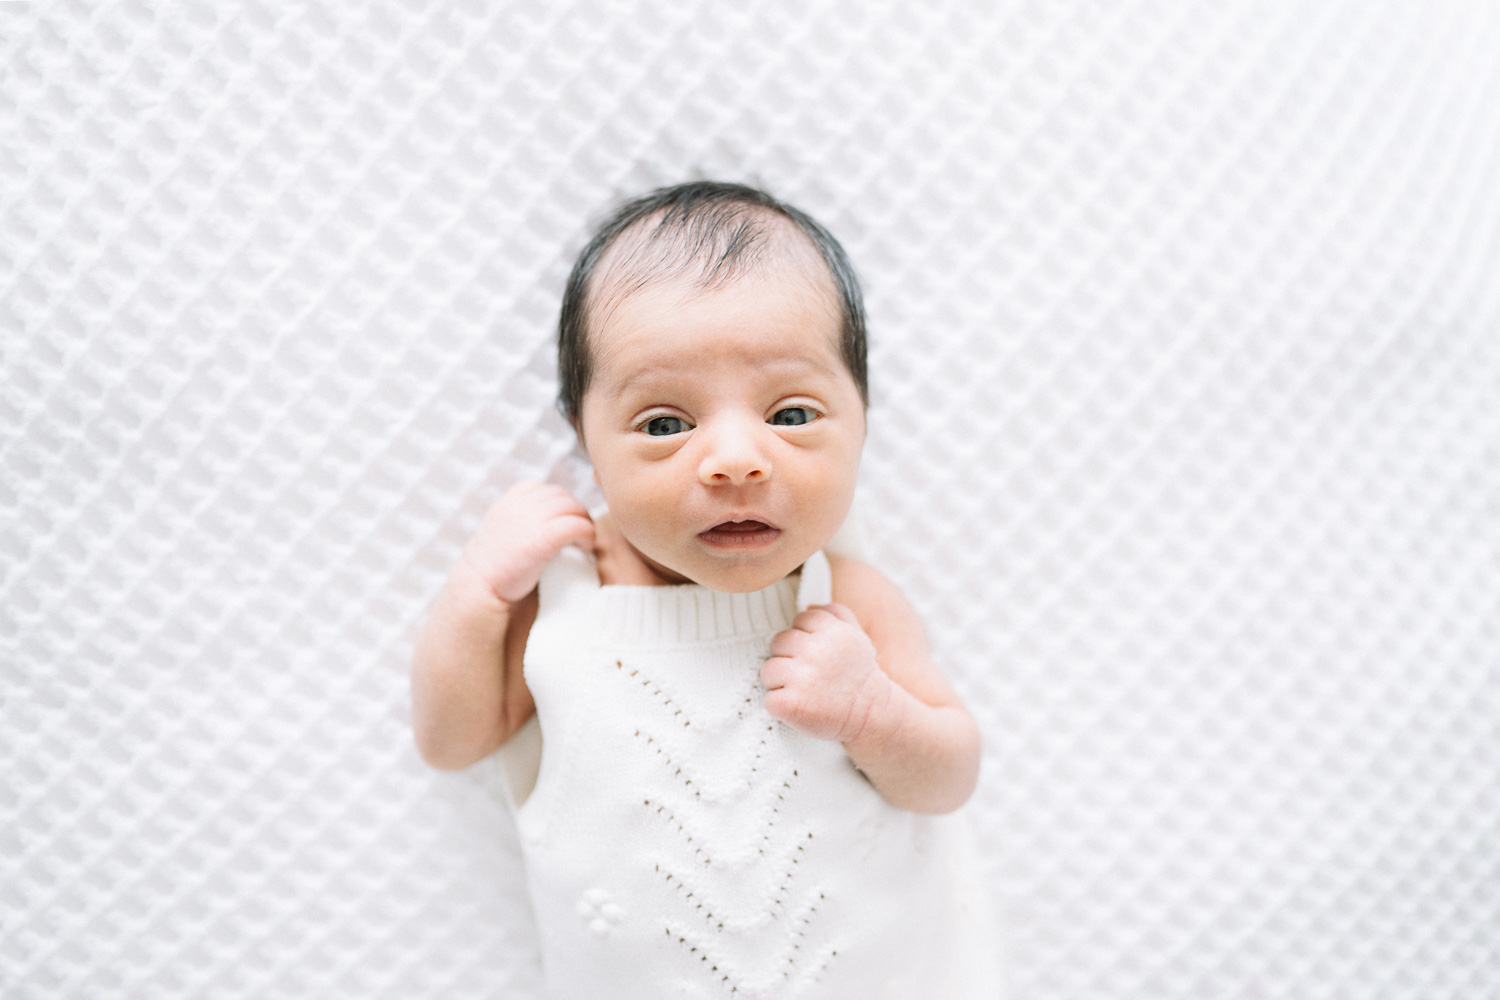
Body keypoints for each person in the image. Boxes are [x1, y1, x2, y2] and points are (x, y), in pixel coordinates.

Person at [410, 181, 996, 998]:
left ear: (861, 417)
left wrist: (870, 711)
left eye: (791, 414)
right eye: (664, 424)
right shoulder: (570, 599)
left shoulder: (845, 599)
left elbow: (949, 777)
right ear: (586, 440)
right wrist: (478, 595)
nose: (734, 459)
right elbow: (452, 741)